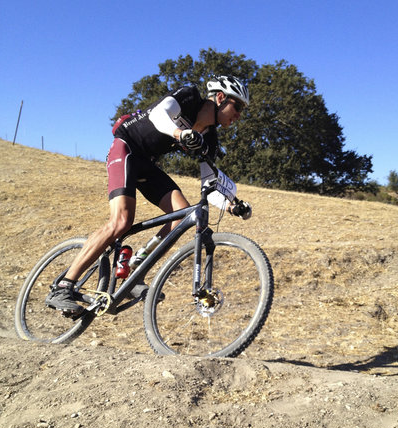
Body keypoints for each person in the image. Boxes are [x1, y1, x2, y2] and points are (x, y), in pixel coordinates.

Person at [45, 75, 250, 314]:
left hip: (147, 164)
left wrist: (230, 205)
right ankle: (64, 285)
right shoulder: (190, 97)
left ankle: (133, 270)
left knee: (182, 217)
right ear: (221, 97)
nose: (239, 115)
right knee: (121, 221)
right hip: (127, 148)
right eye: (237, 106)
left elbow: (209, 181)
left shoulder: (209, 137)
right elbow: (158, 114)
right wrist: (179, 133)